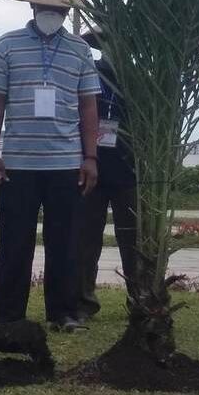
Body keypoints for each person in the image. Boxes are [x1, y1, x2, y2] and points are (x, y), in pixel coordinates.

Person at [0, 0, 101, 333]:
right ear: (33, 6)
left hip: (66, 163)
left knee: (65, 243)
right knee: (14, 243)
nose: (52, 13)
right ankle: (6, 315)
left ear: (67, 12)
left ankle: (63, 313)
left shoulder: (80, 50)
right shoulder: (6, 45)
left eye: (59, 9)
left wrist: (91, 157)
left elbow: (88, 108)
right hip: (17, 163)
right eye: (46, 7)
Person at [72, 26, 137, 323]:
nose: (115, 48)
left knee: (134, 239)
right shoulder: (88, 74)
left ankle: (139, 300)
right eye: (108, 42)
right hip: (91, 164)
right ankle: (84, 303)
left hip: (130, 169)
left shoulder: (141, 79)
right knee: (85, 239)